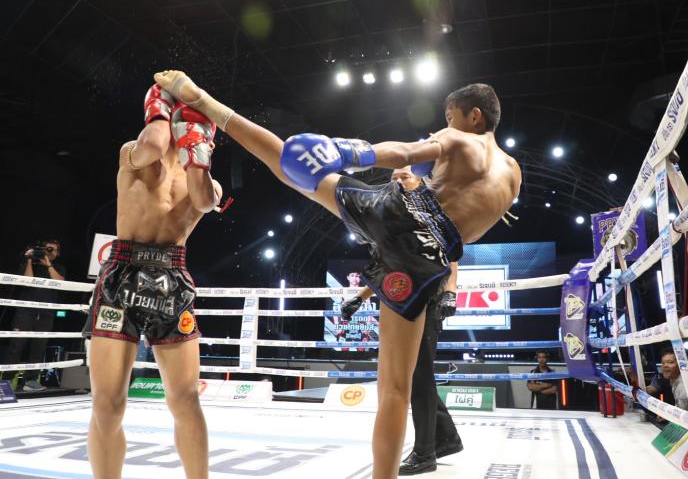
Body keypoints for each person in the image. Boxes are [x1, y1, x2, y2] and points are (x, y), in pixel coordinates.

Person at [153, 71, 521, 479]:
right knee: (396, 388)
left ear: (474, 116)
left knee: (291, 165)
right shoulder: (513, 174)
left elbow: (403, 152)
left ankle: (204, 102)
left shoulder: (459, 139)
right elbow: (465, 229)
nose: (445, 124)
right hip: (430, 261)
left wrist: (347, 152)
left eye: (450, 116)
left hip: (401, 219)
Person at [81, 84, 222, 479]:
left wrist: (197, 148)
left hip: (171, 281)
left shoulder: (207, 182)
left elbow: (204, 200)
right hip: (120, 279)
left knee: (186, 399)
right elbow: (153, 145)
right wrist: (161, 109)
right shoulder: (132, 154)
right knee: (108, 404)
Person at [339, 167, 462, 476]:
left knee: (418, 377)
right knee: (416, 375)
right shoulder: (393, 222)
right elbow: (387, 269)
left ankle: (425, 454)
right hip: (402, 300)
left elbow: (451, 258)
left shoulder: (430, 212)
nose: (397, 181)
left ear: (421, 181)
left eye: (404, 176)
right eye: (393, 178)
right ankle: (445, 438)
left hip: (427, 299)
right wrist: (360, 297)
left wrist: (451, 292)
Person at [2, 240, 67, 391]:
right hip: (25, 311)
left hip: (46, 314)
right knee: (16, 347)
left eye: (52, 250)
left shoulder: (58, 268)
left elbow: (61, 283)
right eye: (47, 249)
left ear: (57, 254)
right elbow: (28, 281)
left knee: (39, 348)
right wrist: (29, 260)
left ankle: (30, 381)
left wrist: (48, 264)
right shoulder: (30, 264)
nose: (49, 252)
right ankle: (6, 382)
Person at [646, 349, 688, 416]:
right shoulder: (673, 382)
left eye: (670, 362)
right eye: (663, 363)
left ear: (681, 365)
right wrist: (669, 415)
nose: (665, 366)